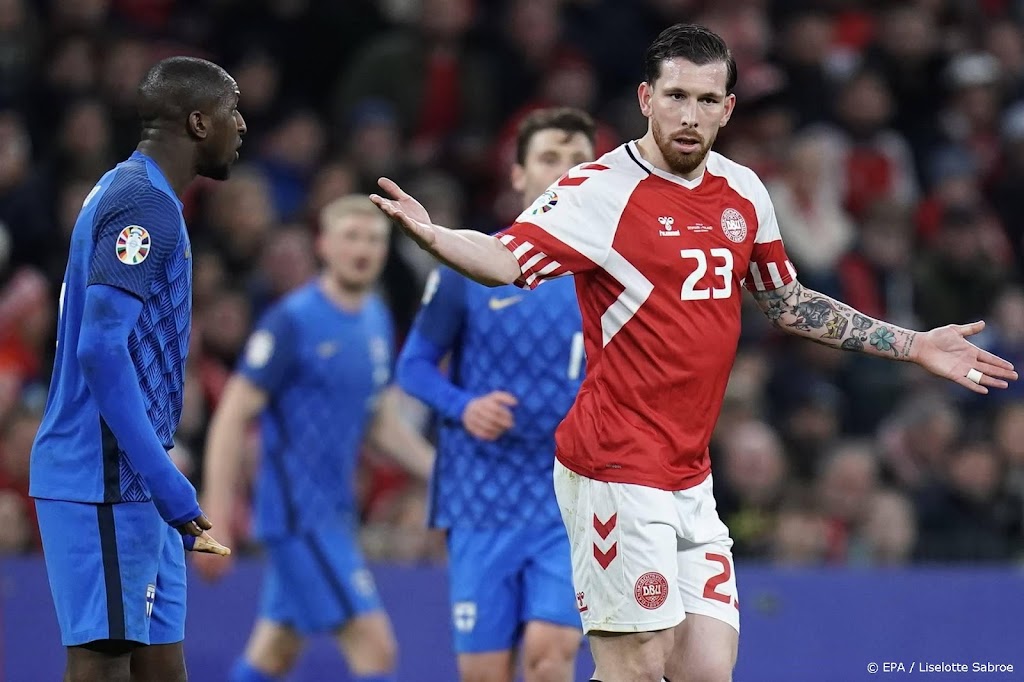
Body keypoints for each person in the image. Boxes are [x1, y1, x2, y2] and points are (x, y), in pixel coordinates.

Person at [370, 23, 1018, 682]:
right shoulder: (599, 190)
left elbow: (787, 303)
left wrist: (913, 345)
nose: (690, 115)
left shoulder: (743, 192)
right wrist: (437, 237)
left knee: (707, 670)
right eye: (676, 96)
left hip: (689, 474)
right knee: (637, 666)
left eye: (708, 101)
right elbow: (505, 259)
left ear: (729, 109)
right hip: (614, 464)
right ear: (647, 97)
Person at [29, 56, 245, 682]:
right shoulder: (142, 205)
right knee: (102, 666)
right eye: (234, 112)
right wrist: (166, 478)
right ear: (200, 122)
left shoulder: (136, 193)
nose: (243, 126)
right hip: (102, 473)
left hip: (137, 481)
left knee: (160, 670)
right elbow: (99, 348)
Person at [195, 194, 435, 682]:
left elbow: (379, 420)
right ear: (324, 245)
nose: (362, 248)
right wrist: (214, 512)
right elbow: (232, 415)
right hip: (298, 516)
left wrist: (441, 470)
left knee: (275, 651)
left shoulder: (375, 319)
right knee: (375, 648)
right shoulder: (293, 320)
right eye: (350, 236)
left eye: (373, 238)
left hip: (335, 512)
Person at [396, 107, 594, 682]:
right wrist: (464, 406)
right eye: (549, 158)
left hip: (571, 496)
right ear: (517, 174)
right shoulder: (469, 260)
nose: (563, 171)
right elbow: (414, 367)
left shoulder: (613, 271)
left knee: (549, 656)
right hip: (482, 497)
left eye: (578, 160)